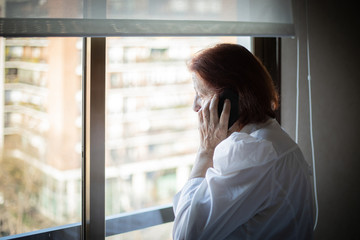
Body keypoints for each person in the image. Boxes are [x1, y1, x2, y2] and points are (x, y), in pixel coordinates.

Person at [172, 43, 314, 240]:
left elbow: (185, 235)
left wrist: (206, 152)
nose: (195, 106)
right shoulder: (269, 136)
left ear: (230, 99)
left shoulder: (252, 153)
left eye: (201, 94)